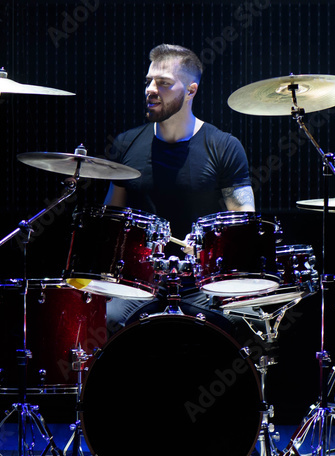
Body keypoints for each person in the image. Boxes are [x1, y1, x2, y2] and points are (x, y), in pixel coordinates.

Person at [102, 43, 256, 332]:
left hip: (203, 280)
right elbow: (112, 217)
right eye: (148, 81)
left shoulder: (224, 146)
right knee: (107, 320)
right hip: (141, 280)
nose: (150, 89)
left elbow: (243, 226)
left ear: (191, 90)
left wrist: (204, 250)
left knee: (245, 321)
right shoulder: (126, 144)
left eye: (163, 83)